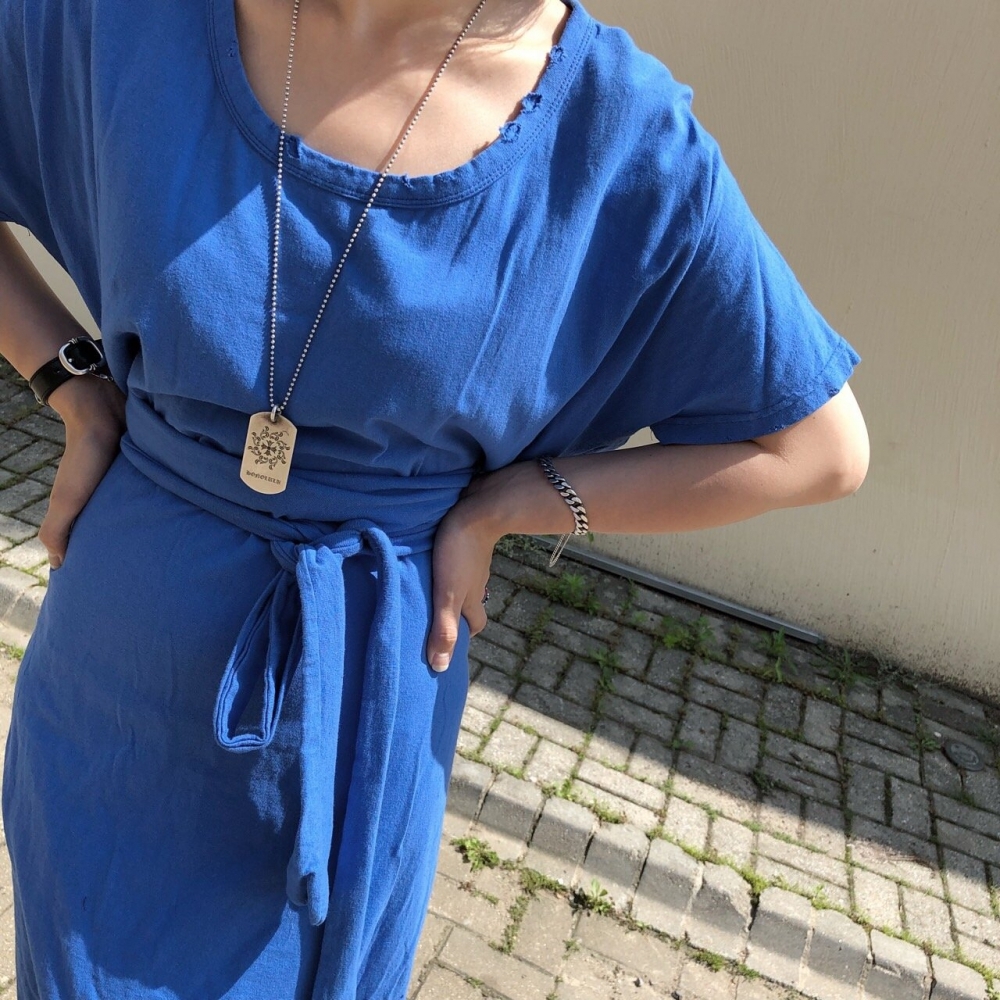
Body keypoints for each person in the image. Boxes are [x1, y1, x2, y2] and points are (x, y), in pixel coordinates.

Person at [0, 0, 869, 996]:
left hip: (358, 703)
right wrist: (70, 383)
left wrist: (518, 502)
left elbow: (816, 449)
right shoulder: (123, 20)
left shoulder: (616, 131)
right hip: (112, 691)